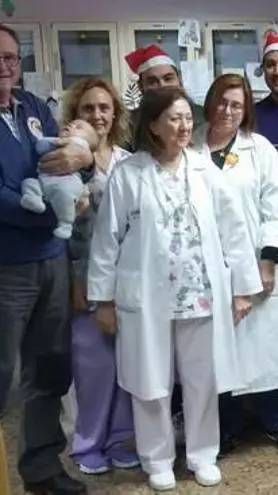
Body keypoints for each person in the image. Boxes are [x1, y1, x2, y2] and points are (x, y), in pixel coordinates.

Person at [88, 87, 262, 491]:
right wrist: (104, 300)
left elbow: (234, 230)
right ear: (153, 125)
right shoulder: (129, 174)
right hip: (147, 299)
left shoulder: (204, 169)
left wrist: (242, 289)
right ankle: (157, 459)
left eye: (187, 118)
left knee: (202, 380)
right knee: (151, 382)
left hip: (199, 295)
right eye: (174, 119)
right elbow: (106, 239)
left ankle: (203, 454)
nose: (184, 127)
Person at [0, 23, 94, 495]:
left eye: (10, 58)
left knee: (50, 367)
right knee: (3, 373)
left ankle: (41, 468)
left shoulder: (34, 108)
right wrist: (50, 216)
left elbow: (73, 154)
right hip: (7, 264)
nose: (4, 67)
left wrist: (83, 161)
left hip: (52, 259)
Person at [191, 74, 278, 455]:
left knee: (265, 347)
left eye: (236, 104)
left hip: (255, 263)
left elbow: (276, 209)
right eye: (222, 102)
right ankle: (228, 425)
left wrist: (268, 262)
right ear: (210, 102)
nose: (228, 110)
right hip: (207, 267)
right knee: (219, 350)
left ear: (246, 109)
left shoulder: (261, 149)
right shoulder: (190, 146)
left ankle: (277, 420)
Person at [64, 77, 138, 476]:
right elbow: (65, 228)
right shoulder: (66, 161)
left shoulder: (131, 162)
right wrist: (75, 279)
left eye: (104, 108)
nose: (97, 115)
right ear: (76, 114)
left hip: (129, 281)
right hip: (86, 279)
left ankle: (122, 439)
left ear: (116, 113)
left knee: (128, 365)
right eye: (88, 108)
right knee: (93, 367)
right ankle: (88, 444)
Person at [19, 119, 97, 239]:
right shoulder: (57, 139)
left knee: (64, 196)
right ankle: (34, 200)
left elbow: (40, 146)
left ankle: (66, 224)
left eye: (78, 127)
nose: (71, 125)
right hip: (44, 181)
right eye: (70, 124)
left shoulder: (77, 143)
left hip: (65, 183)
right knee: (29, 183)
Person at [124, 44, 205, 148]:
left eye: (168, 79)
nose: (162, 86)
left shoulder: (201, 117)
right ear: (141, 86)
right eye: (152, 82)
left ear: (180, 80)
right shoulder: (129, 124)